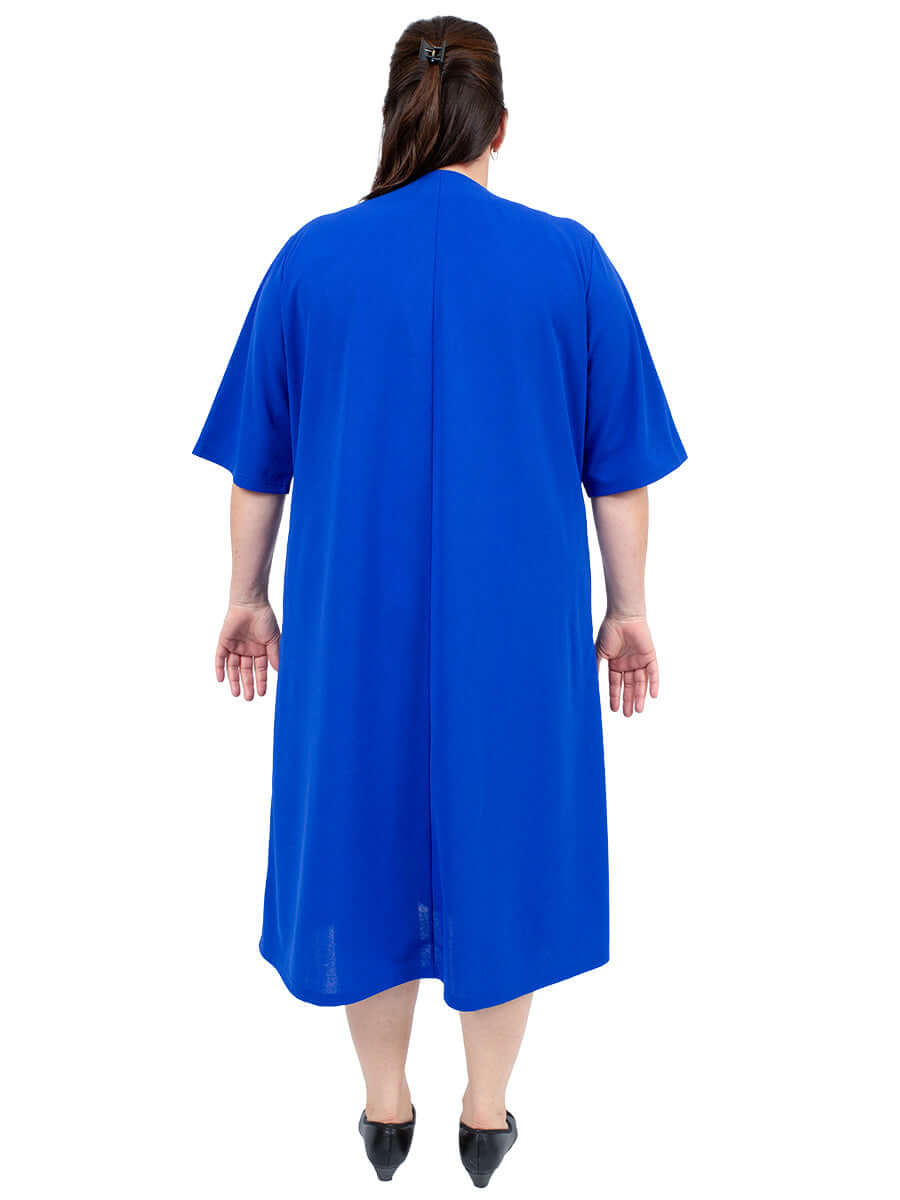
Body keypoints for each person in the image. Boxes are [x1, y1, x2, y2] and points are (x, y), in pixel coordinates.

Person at [192, 14, 686, 1187]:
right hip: (515, 626)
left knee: (357, 833)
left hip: (350, 616)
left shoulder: (313, 259)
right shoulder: (568, 261)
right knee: (506, 837)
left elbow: (259, 467)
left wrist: (246, 595)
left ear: (394, 118)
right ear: (500, 126)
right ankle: (487, 1112)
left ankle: (383, 1109)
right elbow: (618, 473)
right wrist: (628, 611)